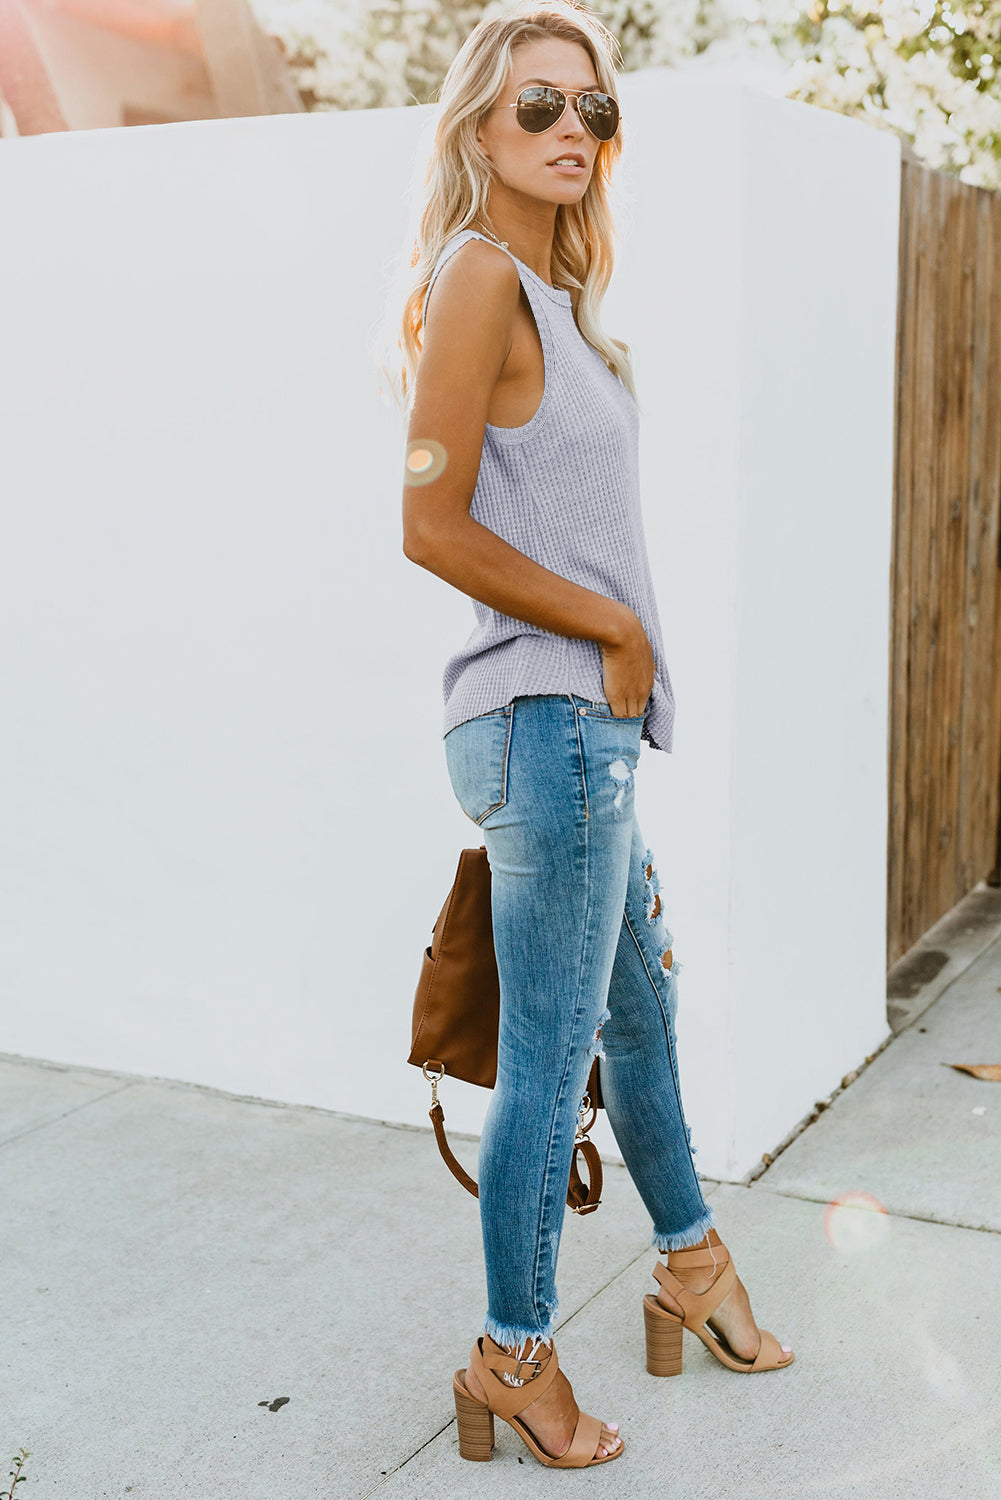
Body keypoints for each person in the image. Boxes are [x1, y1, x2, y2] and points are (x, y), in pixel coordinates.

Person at [395, 0, 794, 1470]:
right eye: (537, 108)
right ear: (478, 132)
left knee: (634, 1020)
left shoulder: (556, 301)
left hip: (586, 736)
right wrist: (614, 631)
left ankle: (690, 1268)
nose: (572, 132)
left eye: (592, 110)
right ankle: (512, 1357)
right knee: (556, 1056)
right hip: (553, 718)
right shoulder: (479, 275)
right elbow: (424, 522)